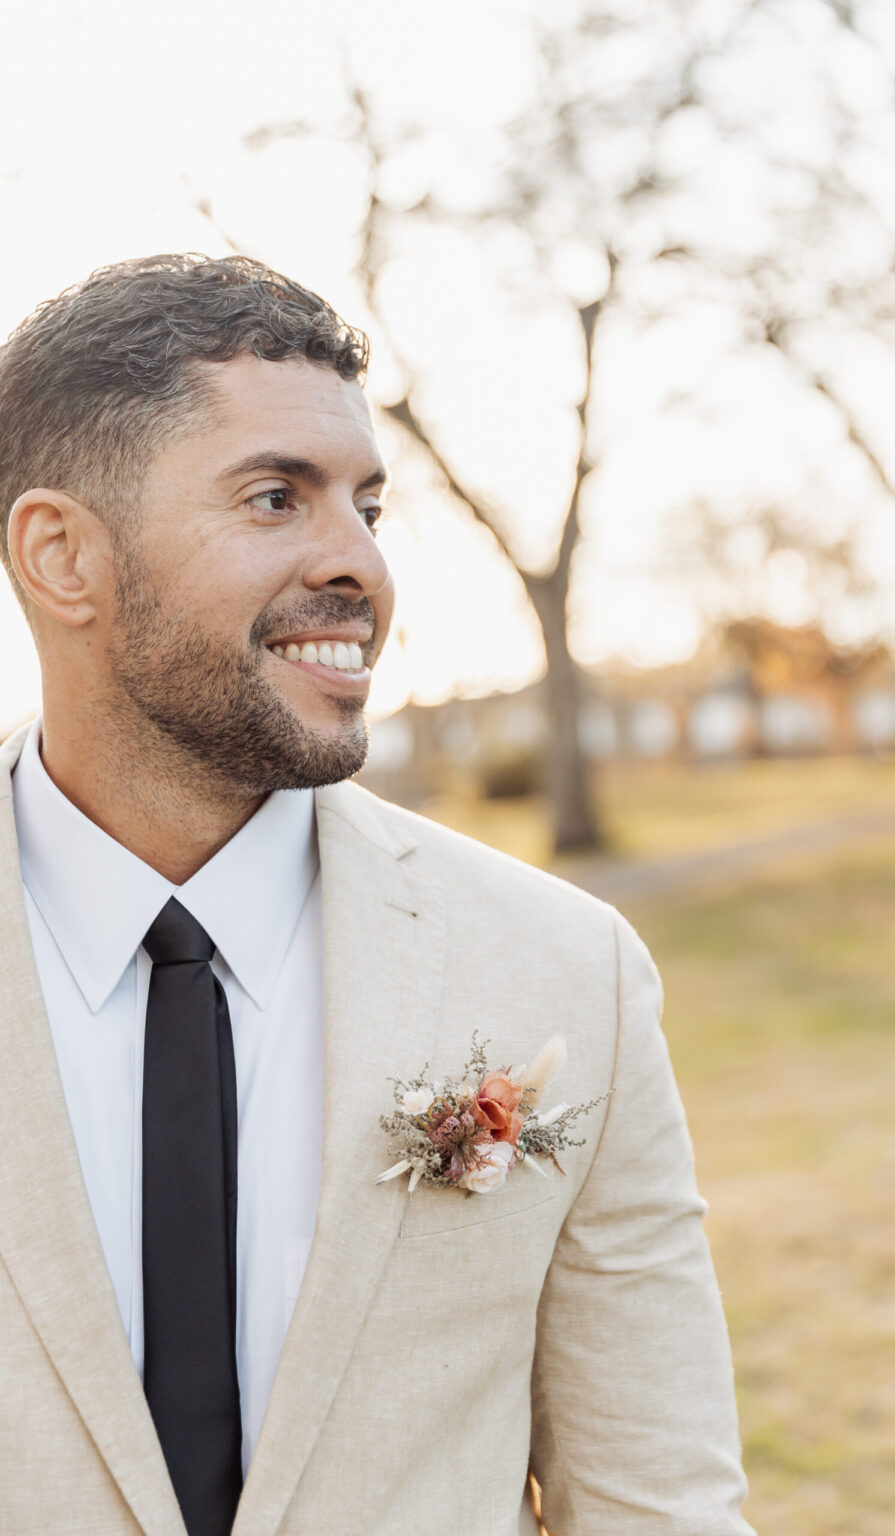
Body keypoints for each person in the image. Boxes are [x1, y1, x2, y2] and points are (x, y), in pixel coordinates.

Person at [0, 254, 754, 1536]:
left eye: (367, 506)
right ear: (63, 556)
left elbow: (655, 1499)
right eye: (276, 497)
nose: (356, 563)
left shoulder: (568, 972)